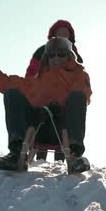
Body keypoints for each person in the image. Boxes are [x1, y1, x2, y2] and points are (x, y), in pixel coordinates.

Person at [0, 37, 92, 172]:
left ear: (69, 56)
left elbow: (83, 93)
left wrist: (55, 108)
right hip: (36, 127)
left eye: (61, 54)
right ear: (47, 58)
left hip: (63, 127)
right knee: (11, 92)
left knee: (78, 96)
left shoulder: (79, 75)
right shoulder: (35, 81)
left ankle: (75, 155)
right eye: (51, 55)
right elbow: (5, 82)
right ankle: (16, 154)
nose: (56, 58)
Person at [25, 19, 83, 161]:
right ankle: (40, 159)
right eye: (60, 33)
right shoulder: (43, 51)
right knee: (42, 119)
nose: (63, 36)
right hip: (44, 97)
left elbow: (78, 79)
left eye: (66, 33)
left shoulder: (74, 54)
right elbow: (32, 72)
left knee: (64, 124)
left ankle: (62, 159)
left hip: (65, 102)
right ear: (54, 35)